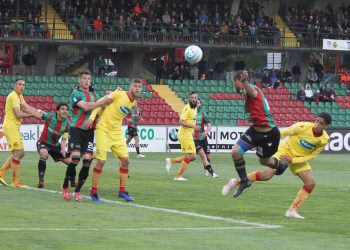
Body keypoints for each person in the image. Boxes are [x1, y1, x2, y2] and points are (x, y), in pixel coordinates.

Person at [222, 113, 332, 219]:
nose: (317, 124)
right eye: (317, 121)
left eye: (321, 123)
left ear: (326, 126)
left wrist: (293, 160)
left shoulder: (324, 139)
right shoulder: (302, 126)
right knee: (266, 176)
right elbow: (281, 133)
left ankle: (292, 210)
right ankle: (235, 182)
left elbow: (311, 156)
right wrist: (263, 143)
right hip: (283, 153)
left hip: (297, 159)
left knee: (311, 183)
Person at [222, 70, 287, 197]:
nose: (234, 85)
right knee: (236, 152)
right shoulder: (243, 91)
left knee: (264, 161)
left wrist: (244, 81)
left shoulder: (250, 89)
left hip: (269, 134)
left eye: (234, 82)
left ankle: (280, 165)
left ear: (237, 81)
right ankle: (245, 181)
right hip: (255, 130)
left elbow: (253, 92)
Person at [84, 78, 143, 202]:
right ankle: (93, 191)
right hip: (103, 130)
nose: (137, 88)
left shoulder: (133, 103)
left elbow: (124, 114)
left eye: (140, 87)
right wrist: (92, 117)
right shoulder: (119, 94)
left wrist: (135, 113)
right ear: (130, 87)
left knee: (126, 161)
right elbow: (101, 102)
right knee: (101, 162)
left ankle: (122, 191)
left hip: (116, 133)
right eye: (135, 86)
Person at [61, 71, 107, 202]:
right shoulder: (76, 94)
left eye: (89, 79)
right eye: (84, 79)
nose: (87, 81)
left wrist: (112, 97)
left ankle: (77, 191)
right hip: (77, 130)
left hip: (89, 132)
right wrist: (102, 101)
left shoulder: (95, 94)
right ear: (79, 81)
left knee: (87, 160)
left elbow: (104, 107)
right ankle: (65, 186)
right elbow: (86, 107)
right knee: (75, 159)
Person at [0, 79, 38, 187]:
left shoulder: (19, 96)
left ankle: (2, 172)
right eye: (20, 84)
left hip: (14, 128)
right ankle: (15, 181)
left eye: (24, 85)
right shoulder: (13, 96)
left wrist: (39, 112)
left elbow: (26, 107)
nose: (22, 86)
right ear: (15, 85)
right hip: (10, 127)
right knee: (18, 153)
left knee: (21, 153)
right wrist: (33, 115)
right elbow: (18, 114)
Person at [35, 103, 71, 188]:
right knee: (44, 153)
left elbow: (64, 139)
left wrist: (62, 149)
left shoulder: (67, 124)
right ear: (57, 111)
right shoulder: (50, 117)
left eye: (66, 110)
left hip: (55, 146)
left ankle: (67, 183)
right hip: (43, 142)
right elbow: (36, 113)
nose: (65, 111)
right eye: (62, 109)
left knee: (70, 162)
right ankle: (41, 180)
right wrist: (26, 108)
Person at [165, 91, 199, 181]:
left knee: (192, 156)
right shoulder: (187, 108)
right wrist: (193, 127)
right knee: (192, 156)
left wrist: (193, 131)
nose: (194, 99)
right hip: (184, 135)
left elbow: (193, 120)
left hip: (188, 135)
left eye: (195, 97)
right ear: (189, 98)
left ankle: (171, 161)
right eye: (192, 97)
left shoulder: (195, 108)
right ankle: (178, 176)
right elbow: (181, 121)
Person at [194, 98, 218, 178]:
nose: (197, 104)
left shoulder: (203, 113)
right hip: (195, 139)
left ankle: (205, 166)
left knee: (208, 157)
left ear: (200, 104)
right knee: (202, 156)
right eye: (196, 103)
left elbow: (209, 125)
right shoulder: (190, 113)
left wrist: (206, 132)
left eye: (198, 103)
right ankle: (210, 171)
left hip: (203, 138)